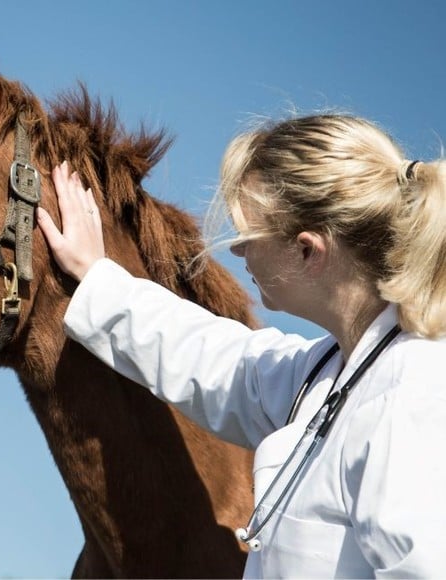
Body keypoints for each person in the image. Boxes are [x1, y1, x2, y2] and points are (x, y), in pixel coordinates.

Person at [36, 114, 445, 577]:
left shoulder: (409, 394)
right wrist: (98, 277)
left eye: (248, 236)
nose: (237, 252)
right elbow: (215, 359)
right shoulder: (329, 373)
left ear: (308, 251)